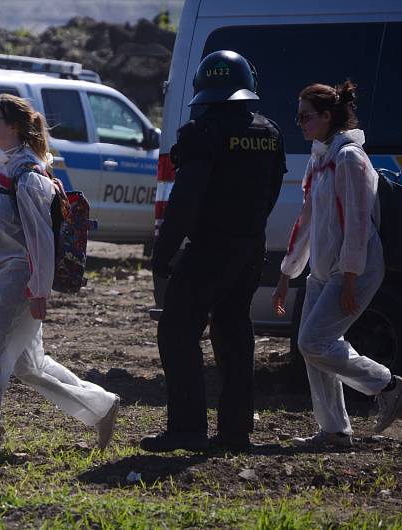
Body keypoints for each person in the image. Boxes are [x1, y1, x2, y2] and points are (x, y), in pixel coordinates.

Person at [141, 50, 286, 453]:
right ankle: (235, 431)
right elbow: (272, 191)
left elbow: (185, 200)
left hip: (211, 249)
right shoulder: (269, 132)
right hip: (249, 248)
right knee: (235, 333)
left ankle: (187, 428)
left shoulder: (201, 133)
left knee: (177, 331)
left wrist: (163, 252)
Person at [0, 93, 120, 458]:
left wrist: (39, 291)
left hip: (19, 275)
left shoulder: (28, 175)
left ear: (16, 128)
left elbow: (39, 240)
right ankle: (101, 404)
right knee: (27, 364)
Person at [272, 80, 402, 448]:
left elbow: (358, 222)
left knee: (314, 342)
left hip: (355, 267)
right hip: (324, 268)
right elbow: (306, 220)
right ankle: (334, 430)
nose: (300, 123)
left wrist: (350, 277)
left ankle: (386, 384)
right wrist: (288, 273)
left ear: (327, 116)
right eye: (298, 116)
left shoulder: (350, 159)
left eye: (306, 117)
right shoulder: (321, 158)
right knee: (314, 347)